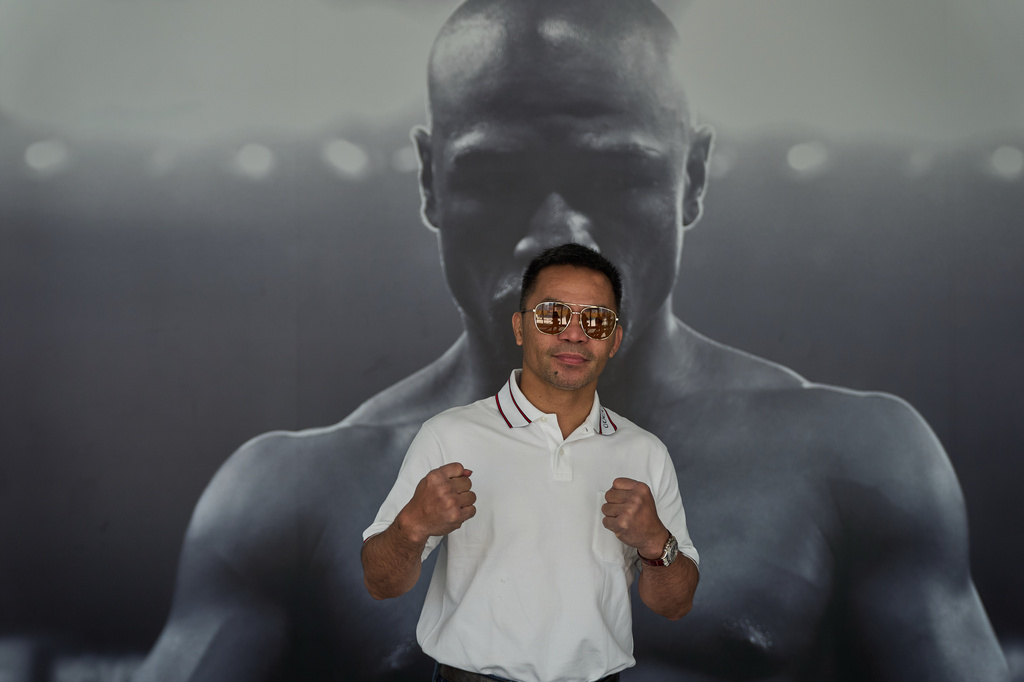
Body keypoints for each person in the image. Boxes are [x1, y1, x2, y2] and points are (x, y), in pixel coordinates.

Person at [134, 0, 1011, 680]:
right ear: (432, 183)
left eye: (615, 174)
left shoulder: (857, 463)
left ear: (691, 180)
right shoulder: (290, 499)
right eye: (498, 177)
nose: (556, 237)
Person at [361, 244, 700, 681]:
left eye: (595, 320)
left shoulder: (644, 452)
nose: (574, 335)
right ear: (521, 328)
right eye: (553, 316)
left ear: (614, 339)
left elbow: (676, 605)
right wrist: (412, 525)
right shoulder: (449, 435)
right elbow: (380, 583)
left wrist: (656, 543)